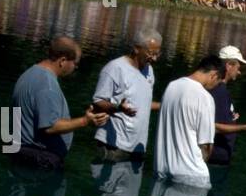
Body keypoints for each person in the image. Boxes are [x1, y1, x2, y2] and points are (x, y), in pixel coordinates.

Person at [10, 36, 108, 170]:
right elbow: (50, 126)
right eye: (75, 63)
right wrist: (85, 121)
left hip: (22, 153)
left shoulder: (30, 73)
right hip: (39, 160)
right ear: (62, 60)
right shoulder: (47, 86)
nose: (75, 68)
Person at [92, 28, 163, 162]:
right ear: (137, 49)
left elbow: (142, 104)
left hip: (138, 147)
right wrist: (119, 108)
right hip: (113, 146)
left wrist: (164, 105)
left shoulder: (149, 70)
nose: (154, 58)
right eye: (151, 53)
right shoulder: (115, 68)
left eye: (157, 54)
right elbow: (98, 101)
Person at [152, 54, 223, 188]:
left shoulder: (172, 86)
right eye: (217, 83)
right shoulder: (205, 97)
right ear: (214, 75)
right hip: (191, 176)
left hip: (163, 170)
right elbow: (206, 145)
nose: (214, 88)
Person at [208, 45, 246, 167]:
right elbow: (215, 126)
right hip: (215, 158)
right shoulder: (220, 91)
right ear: (228, 66)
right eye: (238, 67)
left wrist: (230, 117)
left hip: (215, 156)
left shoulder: (214, 88)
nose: (239, 71)